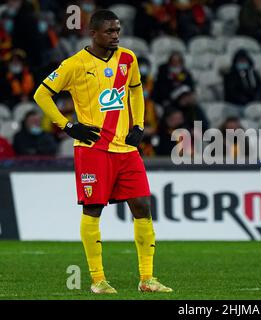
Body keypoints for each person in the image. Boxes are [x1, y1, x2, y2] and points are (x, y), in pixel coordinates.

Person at [33, 10, 172, 294]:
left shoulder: (128, 59)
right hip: (93, 149)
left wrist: (139, 123)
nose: (115, 36)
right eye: (109, 31)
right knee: (93, 209)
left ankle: (147, 279)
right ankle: (98, 280)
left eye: (117, 30)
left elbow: (136, 90)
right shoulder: (74, 64)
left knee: (143, 207)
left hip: (126, 148)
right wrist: (68, 125)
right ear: (93, 33)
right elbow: (41, 94)